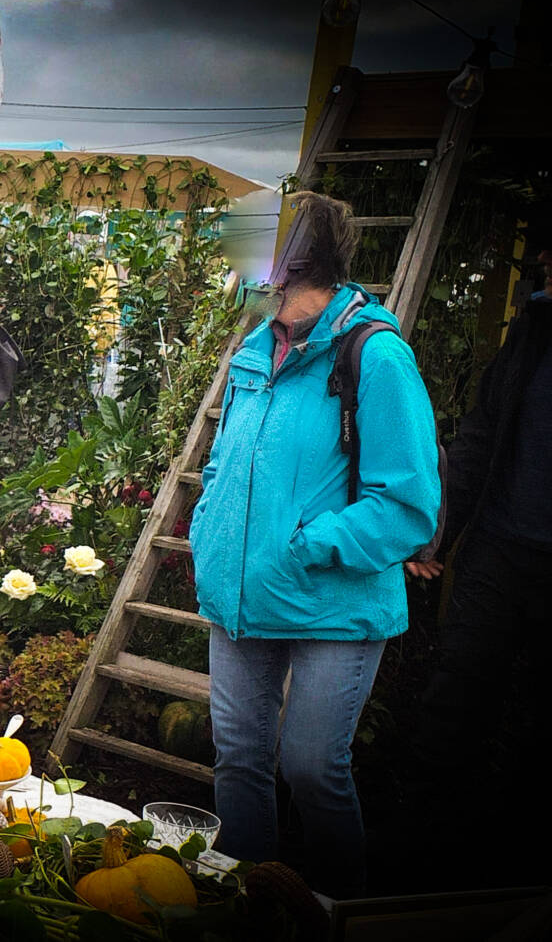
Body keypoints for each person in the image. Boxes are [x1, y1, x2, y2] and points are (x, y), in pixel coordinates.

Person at [187, 192, 440, 899]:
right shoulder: (254, 347)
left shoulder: (376, 355)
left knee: (309, 769)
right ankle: (246, 903)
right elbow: (224, 461)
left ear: (288, 259)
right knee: (238, 758)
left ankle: (337, 913)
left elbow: (410, 505)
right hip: (247, 592)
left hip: (334, 598)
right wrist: (213, 528)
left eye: (247, 248)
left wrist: (307, 544)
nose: (234, 264)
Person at [407, 249, 551, 791]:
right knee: (457, 690)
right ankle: (429, 825)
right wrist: (436, 537)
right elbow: (480, 437)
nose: (542, 258)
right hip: (500, 546)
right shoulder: (533, 332)